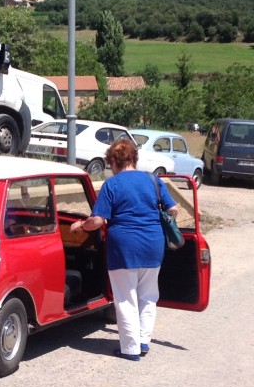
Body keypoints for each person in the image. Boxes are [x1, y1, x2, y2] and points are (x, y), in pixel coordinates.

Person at [70, 138, 179, 361]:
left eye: (110, 163)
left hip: (124, 247)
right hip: (153, 244)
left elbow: (98, 220)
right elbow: (174, 209)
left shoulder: (113, 184)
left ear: (114, 161)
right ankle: (143, 341)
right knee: (148, 296)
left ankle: (130, 349)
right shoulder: (153, 180)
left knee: (126, 298)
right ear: (134, 159)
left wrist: (80, 225)